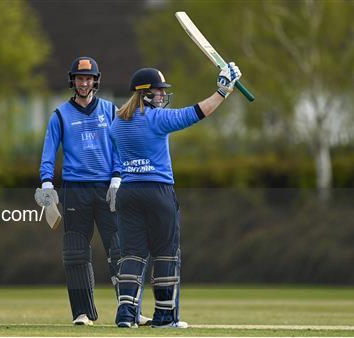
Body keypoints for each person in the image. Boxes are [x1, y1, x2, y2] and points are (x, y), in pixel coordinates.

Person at [110, 63, 242, 328]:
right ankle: (164, 316)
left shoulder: (117, 123)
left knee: (132, 255)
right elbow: (195, 113)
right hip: (158, 192)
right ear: (144, 93)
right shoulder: (157, 119)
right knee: (166, 254)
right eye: (158, 91)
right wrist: (222, 91)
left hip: (128, 192)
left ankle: (126, 315)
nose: (162, 96)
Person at [34, 56, 151, 326]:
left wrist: (118, 177)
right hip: (75, 189)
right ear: (73, 81)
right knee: (76, 252)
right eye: (79, 78)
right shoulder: (60, 115)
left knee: (121, 250)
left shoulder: (110, 111)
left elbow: (121, 146)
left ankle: (131, 310)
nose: (83, 82)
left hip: (107, 188)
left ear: (95, 81)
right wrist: (47, 183)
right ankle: (82, 313)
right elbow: (49, 153)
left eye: (88, 78)